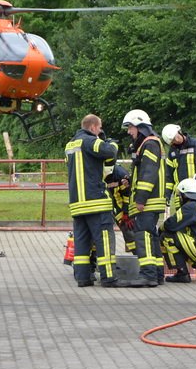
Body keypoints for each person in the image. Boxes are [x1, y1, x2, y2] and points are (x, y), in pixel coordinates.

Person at [63, 114, 124, 288]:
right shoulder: (90, 141)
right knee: (104, 239)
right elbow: (110, 152)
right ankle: (108, 277)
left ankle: (83, 278)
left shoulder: (70, 145)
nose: (100, 131)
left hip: (77, 203)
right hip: (96, 202)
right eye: (99, 128)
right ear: (93, 127)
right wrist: (110, 142)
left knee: (82, 241)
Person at [122, 109, 165, 287]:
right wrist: (130, 181)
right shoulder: (148, 144)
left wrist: (140, 199)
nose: (129, 132)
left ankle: (148, 275)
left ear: (139, 126)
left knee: (143, 236)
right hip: (151, 201)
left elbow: (148, 174)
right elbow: (143, 172)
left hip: (148, 202)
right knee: (152, 237)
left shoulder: (150, 144)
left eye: (130, 127)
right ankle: (157, 274)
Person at [160, 123, 196, 204]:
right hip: (181, 195)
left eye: (176, 137)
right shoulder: (172, 152)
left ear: (180, 132)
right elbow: (169, 176)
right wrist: (167, 194)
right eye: (173, 140)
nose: (177, 140)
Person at [105, 165, 135, 255]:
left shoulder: (121, 175)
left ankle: (137, 253)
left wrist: (126, 213)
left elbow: (127, 195)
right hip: (111, 204)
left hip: (124, 204)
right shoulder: (97, 172)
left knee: (127, 228)